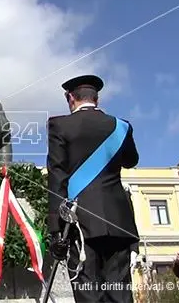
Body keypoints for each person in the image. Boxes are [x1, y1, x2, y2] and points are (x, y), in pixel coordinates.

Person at [47, 75, 139, 302]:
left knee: (88, 290)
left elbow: (57, 175)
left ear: (71, 98)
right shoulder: (121, 126)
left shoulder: (59, 125)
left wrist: (56, 229)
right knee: (120, 293)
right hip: (119, 222)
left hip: (81, 221)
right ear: (96, 99)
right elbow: (131, 160)